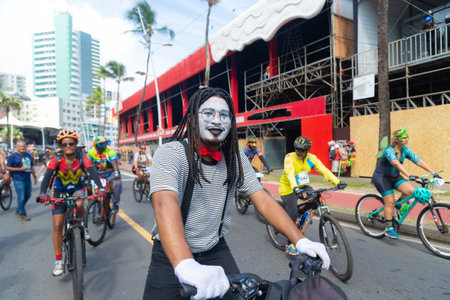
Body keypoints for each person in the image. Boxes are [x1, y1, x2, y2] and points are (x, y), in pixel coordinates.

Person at [143, 87, 330, 300]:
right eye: (208, 113)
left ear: (231, 123)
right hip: (170, 255)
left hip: (215, 249)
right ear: (193, 120)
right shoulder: (172, 153)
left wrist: (301, 241)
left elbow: (263, 200)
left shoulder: (235, 157)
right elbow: (164, 204)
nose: (217, 120)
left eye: (224, 115)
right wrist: (185, 264)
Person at [38, 129, 105, 276]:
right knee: (57, 226)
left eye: (71, 143)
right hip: (59, 192)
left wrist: (100, 188)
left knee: (80, 204)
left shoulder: (82, 158)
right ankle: (58, 260)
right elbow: (47, 177)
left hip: (77, 190)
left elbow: (92, 172)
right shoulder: (56, 160)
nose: (68, 146)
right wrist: (43, 194)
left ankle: (82, 226)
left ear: (76, 144)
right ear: (61, 146)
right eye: (64, 144)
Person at [279, 136, 347, 255]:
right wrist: (295, 187)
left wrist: (337, 182)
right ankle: (290, 243)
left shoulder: (312, 159)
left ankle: (303, 215)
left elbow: (324, 171)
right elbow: (289, 172)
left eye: (302, 150)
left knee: (315, 198)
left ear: (307, 151)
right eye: (297, 149)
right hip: (288, 188)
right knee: (293, 213)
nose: (299, 152)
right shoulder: (289, 157)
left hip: (302, 186)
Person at [372, 128, 439, 239]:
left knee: (412, 192)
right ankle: (389, 228)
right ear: (397, 140)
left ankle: (398, 204)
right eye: (403, 138)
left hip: (395, 177)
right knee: (390, 202)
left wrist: (433, 172)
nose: (406, 139)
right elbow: (396, 164)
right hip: (382, 178)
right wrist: (410, 175)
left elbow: (418, 160)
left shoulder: (405, 150)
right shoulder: (389, 150)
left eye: (407, 137)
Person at [87, 136, 122, 213]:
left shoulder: (110, 152)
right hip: (98, 175)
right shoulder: (91, 153)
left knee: (117, 184)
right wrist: (86, 174)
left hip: (111, 173)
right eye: (101, 144)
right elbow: (88, 164)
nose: (104, 146)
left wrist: (116, 173)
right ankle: (98, 208)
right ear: (95, 145)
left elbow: (114, 163)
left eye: (105, 143)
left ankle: (115, 203)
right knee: (94, 190)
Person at [6, 141, 37, 221]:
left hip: (27, 178)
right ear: (17, 147)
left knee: (28, 195)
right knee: (22, 197)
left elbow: (31, 167)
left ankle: (18, 209)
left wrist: (35, 177)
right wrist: (19, 169)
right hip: (18, 179)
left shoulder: (28, 155)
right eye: (20, 146)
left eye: (24, 146)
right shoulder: (13, 156)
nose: (22, 148)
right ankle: (22, 214)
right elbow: (7, 167)